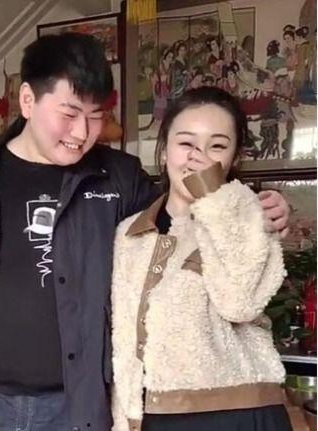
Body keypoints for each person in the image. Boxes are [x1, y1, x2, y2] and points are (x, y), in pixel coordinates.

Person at [0, 34, 290, 431]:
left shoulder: (118, 178)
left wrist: (254, 211)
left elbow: (182, 223)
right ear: (28, 100)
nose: (82, 134)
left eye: (96, 116)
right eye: (69, 115)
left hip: (79, 407)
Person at [111, 87, 293, 431]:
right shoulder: (129, 233)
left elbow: (240, 304)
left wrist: (215, 197)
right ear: (164, 150)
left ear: (234, 158)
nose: (199, 158)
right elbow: (122, 339)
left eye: (217, 146)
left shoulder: (250, 220)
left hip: (237, 413)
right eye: (186, 143)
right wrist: (124, 418)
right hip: (152, 416)